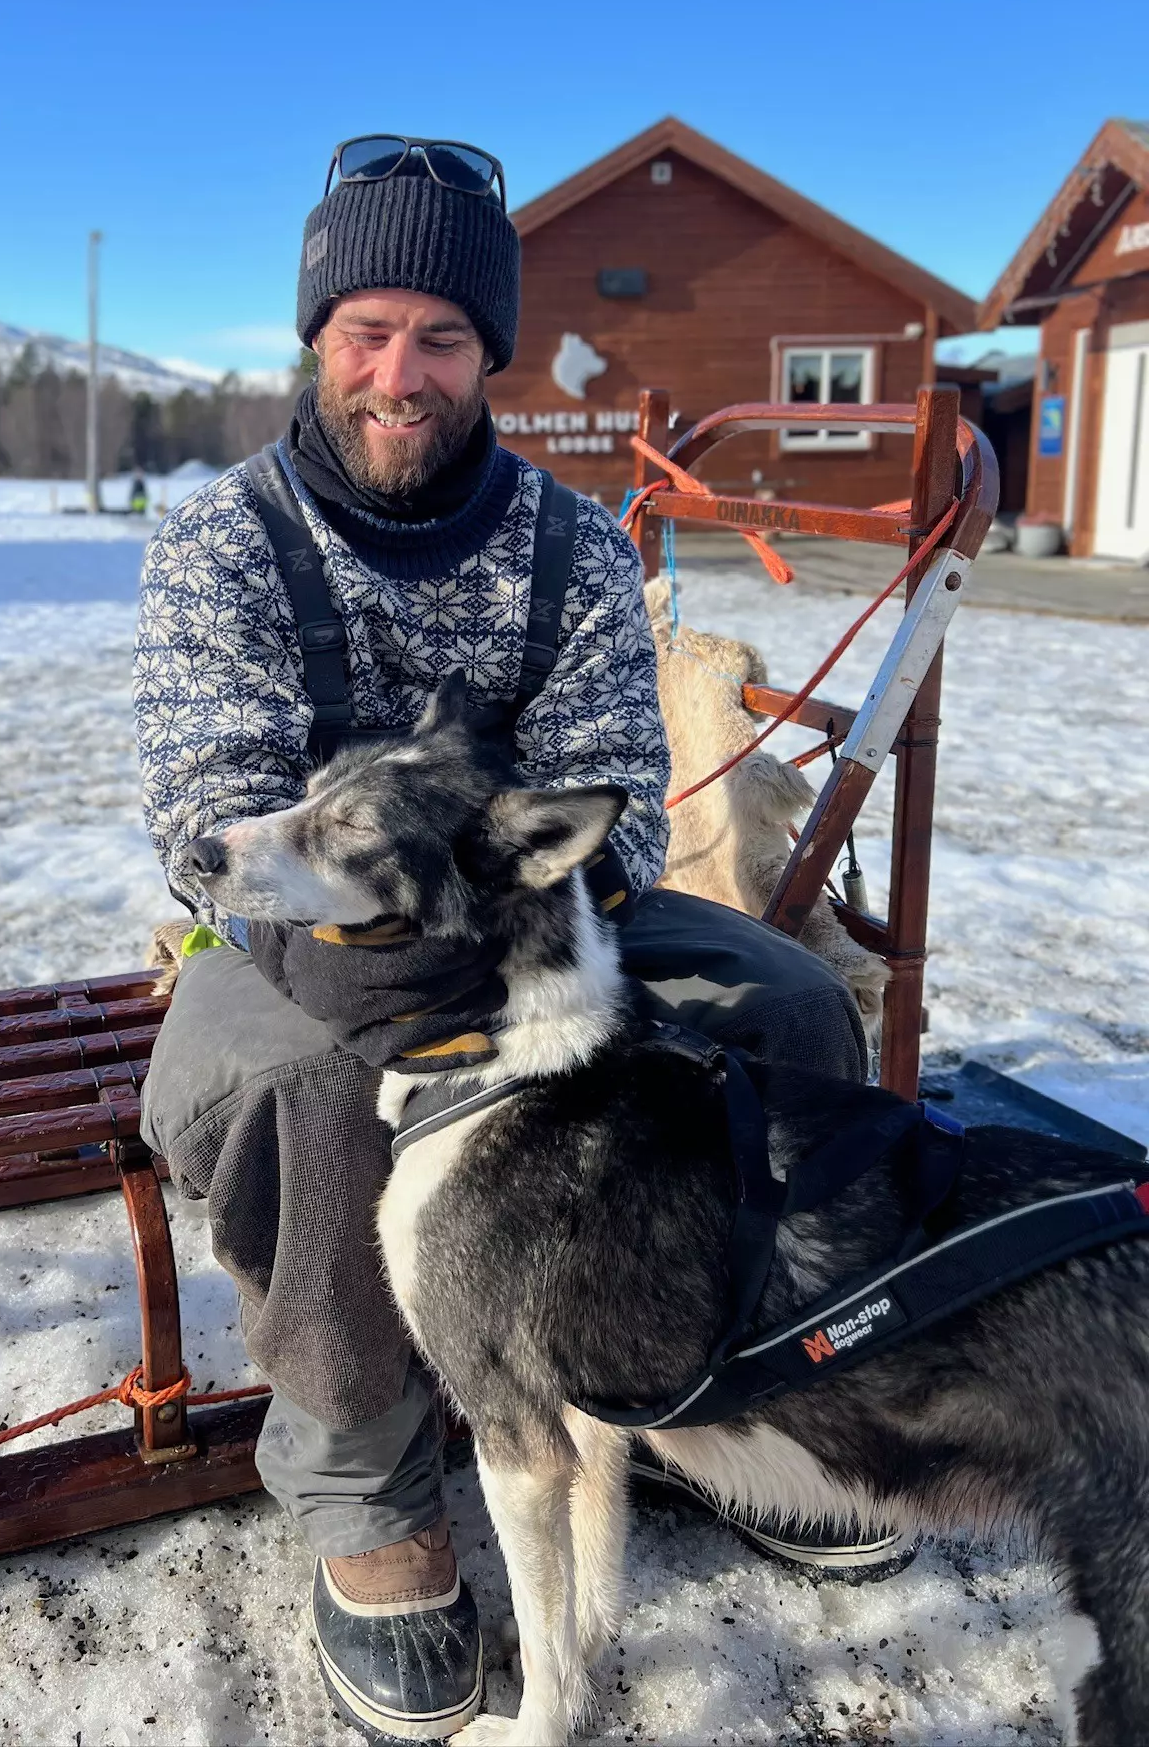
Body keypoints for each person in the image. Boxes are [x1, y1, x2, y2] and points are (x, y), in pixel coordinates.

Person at [132, 135, 901, 1743]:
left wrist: (509, 946)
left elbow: (610, 796)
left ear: (488, 351)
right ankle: (371, 1498)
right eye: (366, 330)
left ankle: (720, 1380)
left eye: (440, 337)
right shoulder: (222, 543)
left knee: (782, 1001)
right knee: (317, 1093)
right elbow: (212, 817)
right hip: (279, 935)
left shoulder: (564, 544)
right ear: (315, 337)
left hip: (534, 925)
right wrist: (366, 974)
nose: (399, 372)